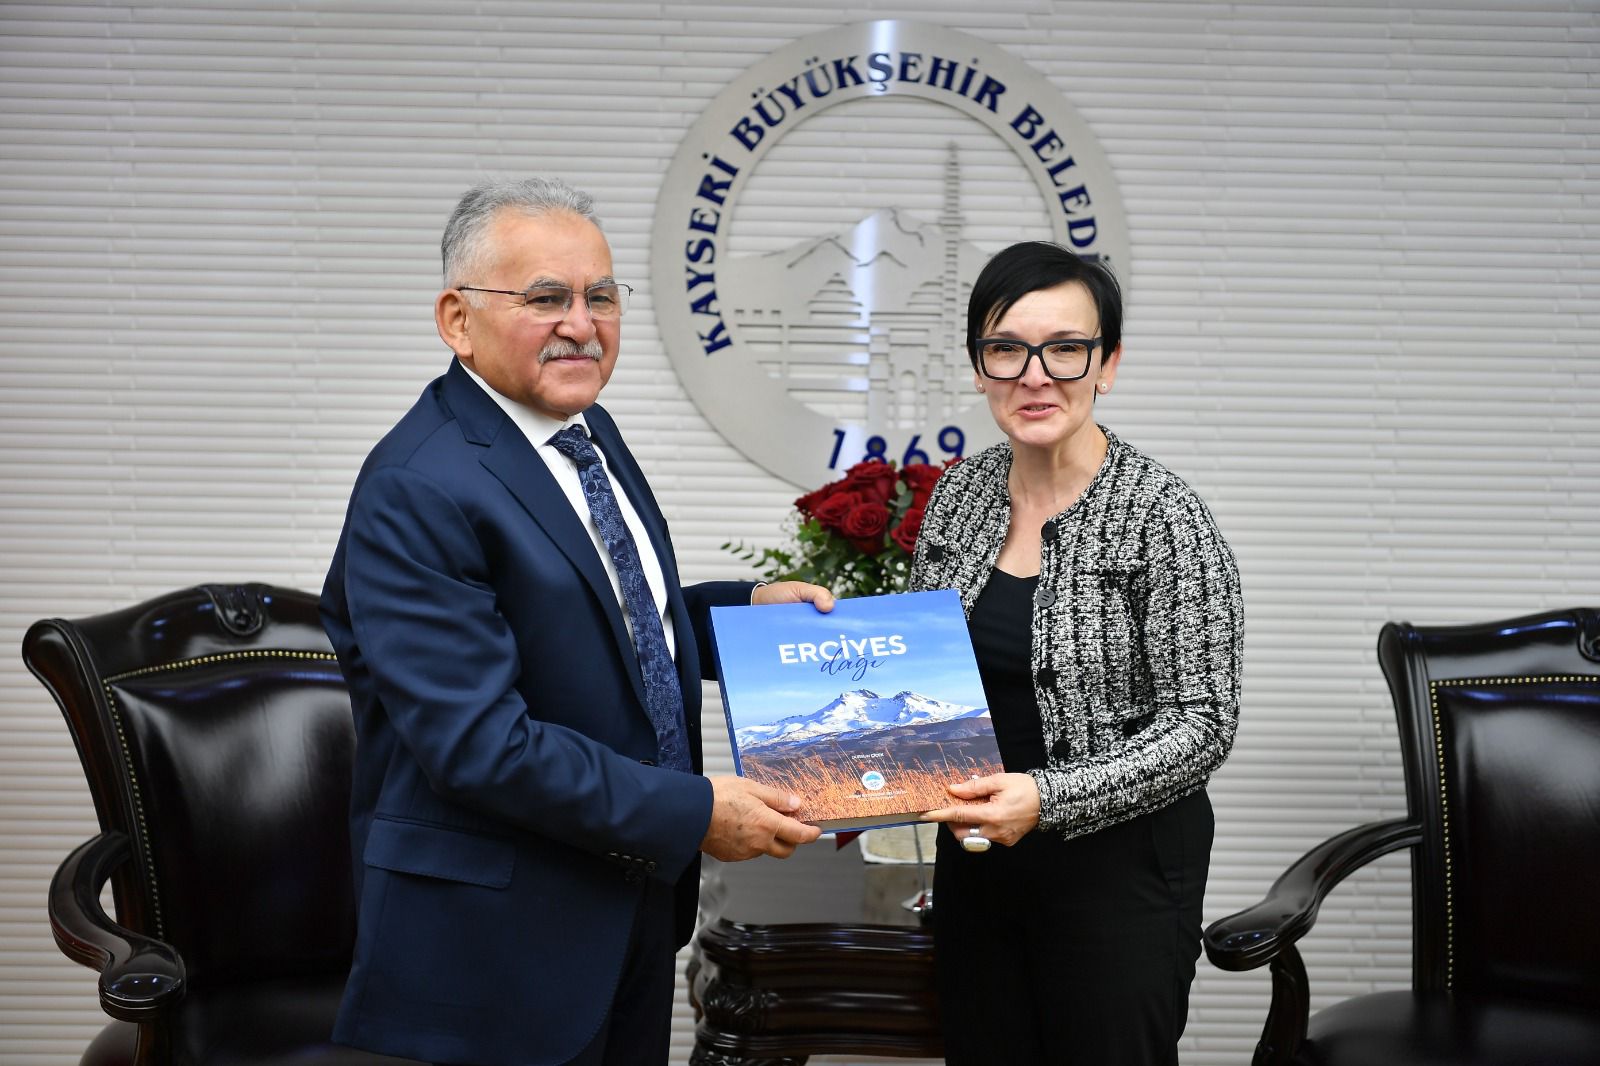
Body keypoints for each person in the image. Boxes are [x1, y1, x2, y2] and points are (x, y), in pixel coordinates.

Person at [320, 176, 832, 1066]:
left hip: (624, 911)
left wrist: (741, 613)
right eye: (546, 297)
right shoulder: (418, 485)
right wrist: (695, 811)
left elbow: (603, 618)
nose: (582, 325)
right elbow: (480, 746)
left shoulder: (581, 429)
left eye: (601, 296)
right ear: (457, 320)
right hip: (495, 956)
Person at [915, 241, 1243, 1065]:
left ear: (1108, 363)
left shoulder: (1163, 515)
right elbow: (927, 675)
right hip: (979, 866)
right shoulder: (958, 496)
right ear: (980, 367)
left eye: (1065, 349)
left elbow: (1203, 725)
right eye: (1007, 349)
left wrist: (1049, 797)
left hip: (1121, 878)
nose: (1036, 376)